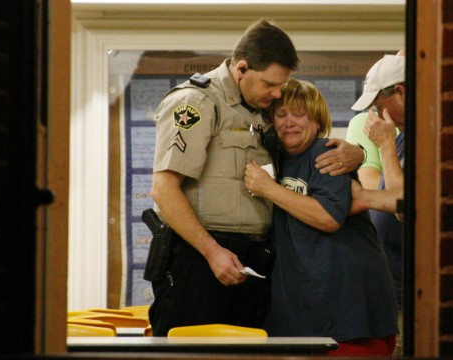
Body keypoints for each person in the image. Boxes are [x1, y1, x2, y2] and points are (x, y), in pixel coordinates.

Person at [148, 19, 359, 336]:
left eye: (281, 85)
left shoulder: (263, 108)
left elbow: (301, 149)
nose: (277, 94)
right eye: (270, 84)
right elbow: (164, 189)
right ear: (242, 68)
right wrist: (212, 252)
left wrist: (359, 153)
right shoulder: (197, 102)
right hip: (202, 260)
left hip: (253, 261)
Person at [244, 79, 398, 357]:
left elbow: (328, 217)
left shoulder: (329, 152)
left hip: (351, 314)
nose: (289, 122)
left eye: (299, 114)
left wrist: (269, 188)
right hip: (299, 314)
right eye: (281, 114)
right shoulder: (271, 159)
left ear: (317, 121)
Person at [349, 52, 407, 358]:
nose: (375, 114)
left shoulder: (408, 139)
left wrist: (384, 143)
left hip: (410, 293)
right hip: (392, 289)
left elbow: (401, 206)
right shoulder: (401, 139)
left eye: (378, 105)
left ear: (399, 92)